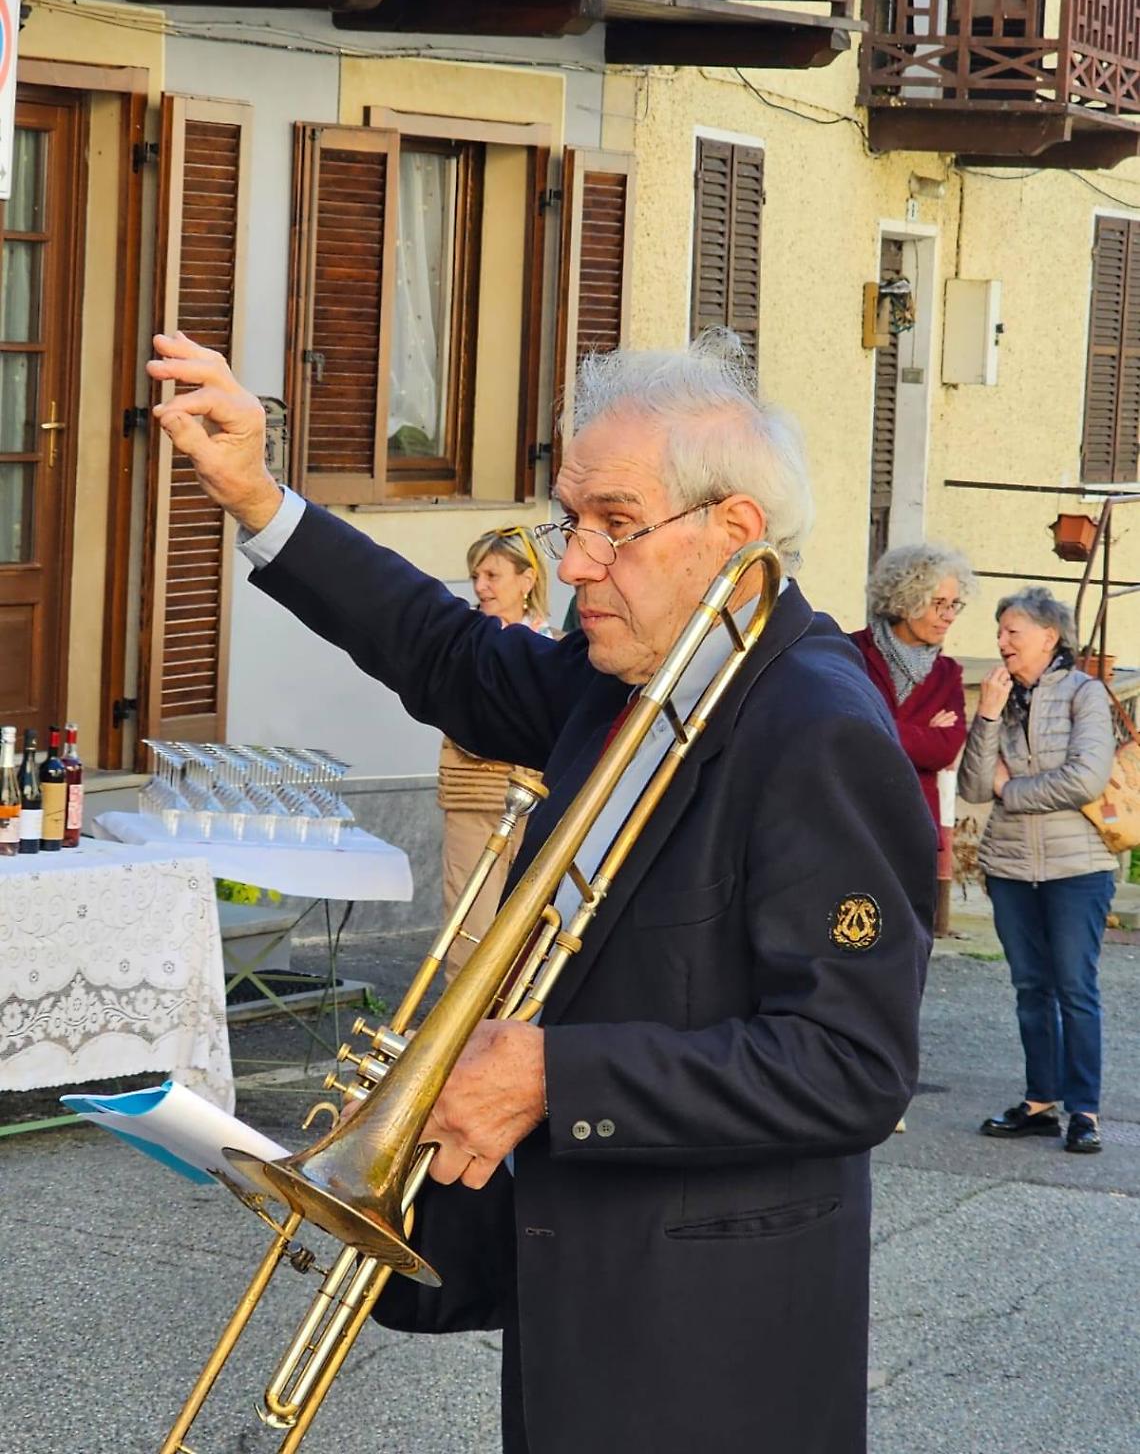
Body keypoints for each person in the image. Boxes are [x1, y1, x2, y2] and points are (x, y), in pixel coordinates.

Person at [147, 328, 935, 1454]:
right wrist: (259, 496)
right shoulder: (629, 671)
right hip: (579, 1298)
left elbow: (852, 1066)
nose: (574, 565)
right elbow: (446, 651)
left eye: (616, 523)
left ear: (733, 531)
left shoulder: (816, 724)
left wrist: (553, 1075)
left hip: (718, 1343)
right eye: (574, 522)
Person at [958, 586, 1117, 1156]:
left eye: (1012, 631)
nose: (1001, 641)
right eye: (999, 631)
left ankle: (1085, 1111)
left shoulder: (1085, 694)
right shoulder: (1000, 699)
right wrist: (986, 714)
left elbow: (1085, 779)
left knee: (1075, 987)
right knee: (1031, 987)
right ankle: (1041, 1102)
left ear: (1048, 637)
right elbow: (975, 786)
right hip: (1009, 866)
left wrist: (1012, 790)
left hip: (1078, 867)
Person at [439, 527, 555, 983]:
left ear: (527, 580)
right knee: (468, 930)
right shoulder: (466, 642)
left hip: (541, 808)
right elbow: (458, 721)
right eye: (476, 576)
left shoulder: (559, 646)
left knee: (528, 933)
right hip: (475, 803)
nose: (480, 587)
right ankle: (462, 1027)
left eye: (492, 575)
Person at [851, 544, 975, 919]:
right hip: (852, 819)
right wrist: (919, 732)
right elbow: (850, 734)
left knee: (902, 933)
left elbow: (945, 749)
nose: (949, 616)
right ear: (906, 599)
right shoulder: (850, 652)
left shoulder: (947, 674)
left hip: (912, 829)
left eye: (954, 605)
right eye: (939, 604)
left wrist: (881, 726)